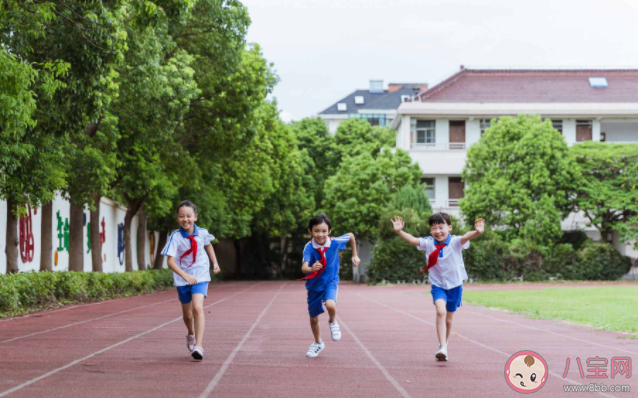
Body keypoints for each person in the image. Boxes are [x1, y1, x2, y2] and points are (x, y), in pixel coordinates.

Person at [391, 212, 484, 361]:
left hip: (455, 285)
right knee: (441, 311)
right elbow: (413, 240)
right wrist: (399, 231)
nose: (438, 231)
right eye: (434, 228)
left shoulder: (455, 242)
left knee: (448, 319)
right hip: (438, 285)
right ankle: (442, 347)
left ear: (449, 227)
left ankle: (444, 343)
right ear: (430, 231)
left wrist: (477, 232)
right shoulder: (428, 243)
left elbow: (466, 236)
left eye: (441, 227)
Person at [161, 200, 221, 361]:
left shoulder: (202, 233)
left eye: (188, 216)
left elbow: (208, 245)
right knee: (188, 316)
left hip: (200, 275)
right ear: (177, 218)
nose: (185, 219)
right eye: (181, 216)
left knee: (198, 308)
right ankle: (191, 334)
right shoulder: (175, 236)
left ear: (195, 217)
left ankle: (199, 346)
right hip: (183, 279)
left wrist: (214, 262)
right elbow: (170, 261)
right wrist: (184, 275)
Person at [301, 213, 360, 358]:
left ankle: (333, 321)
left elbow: (351, 236)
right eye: (316, 231)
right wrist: (311, 268)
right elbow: (304, 268)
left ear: (329, 231)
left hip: (330, 282)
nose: (320, 234)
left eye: (324, 231)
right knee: (314, 318)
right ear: (310, 231)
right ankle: (318, 343)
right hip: (314, 285)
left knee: (331, 305)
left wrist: (354, 254)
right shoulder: (309, 247)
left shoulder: (334, 242)